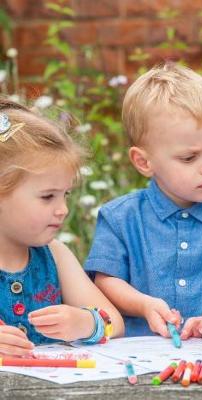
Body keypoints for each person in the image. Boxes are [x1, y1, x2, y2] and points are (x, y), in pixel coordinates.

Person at [85, 63, 202, 340]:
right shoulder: (120, 218)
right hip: (140, 357)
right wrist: (144, 305)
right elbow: (106, 280)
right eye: (189, 158)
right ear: (144, 162)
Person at [0, 99, 124, 357]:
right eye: (48, 196)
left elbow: (115, 322)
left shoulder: (54, 254)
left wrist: (86, 324)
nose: (63, 209)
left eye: (65, 194)